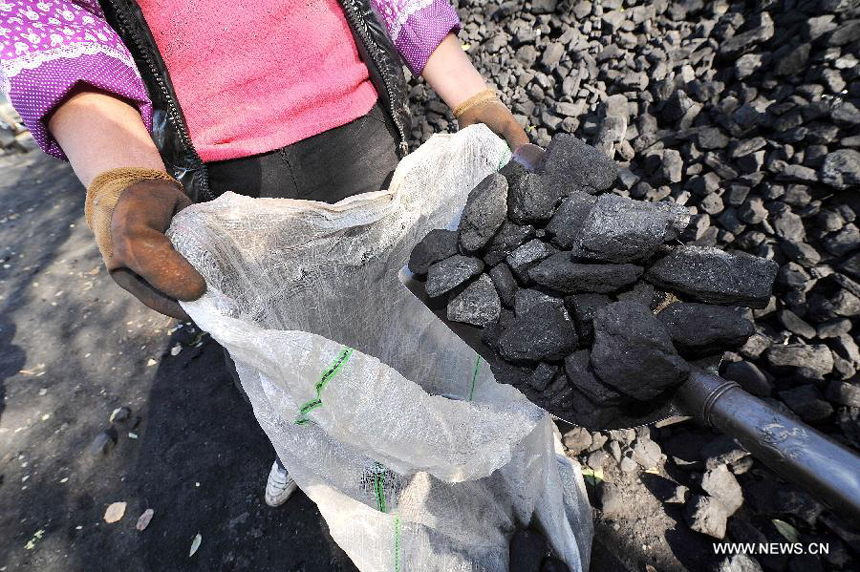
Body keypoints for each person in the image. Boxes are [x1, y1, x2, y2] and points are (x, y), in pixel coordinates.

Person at [0, 0, 528, 508]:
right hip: (220, 178)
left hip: (363, 134)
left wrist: (472, 97)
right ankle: (314, 451)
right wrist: (123, 176)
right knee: (274, 339)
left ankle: (414, 429)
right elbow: (54, 21)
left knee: (393, 301)